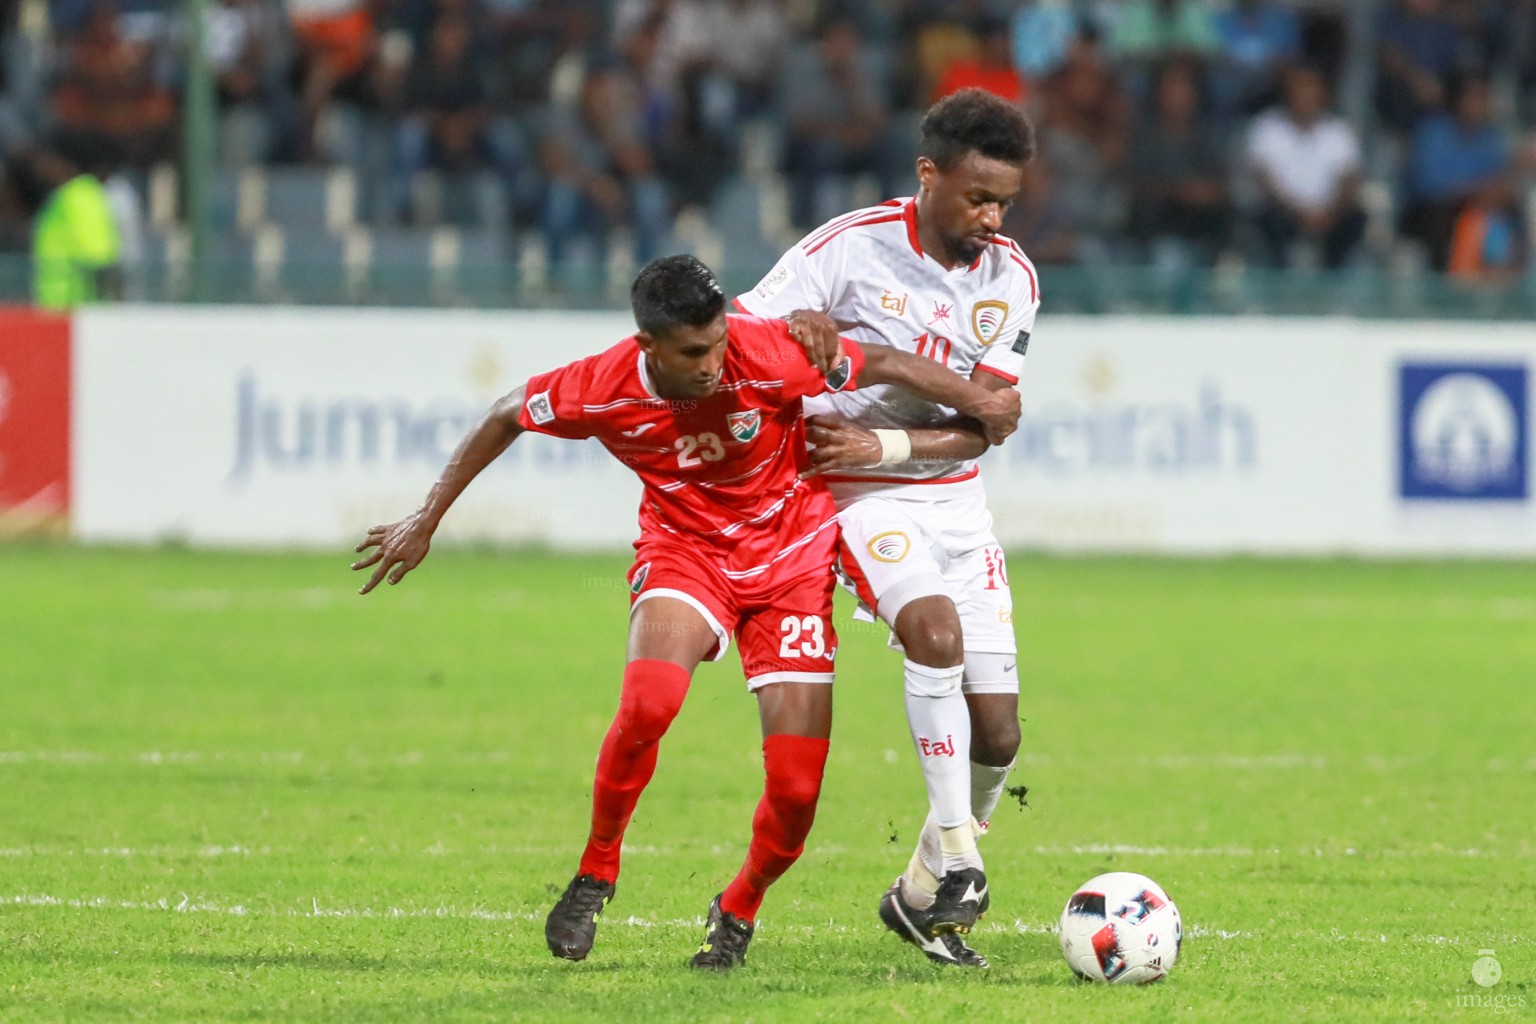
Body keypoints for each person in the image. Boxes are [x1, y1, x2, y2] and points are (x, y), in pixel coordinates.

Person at [352, 255, 1020, 970]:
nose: (712, 364)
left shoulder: (766, 355)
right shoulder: (601, 387)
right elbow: (506, 413)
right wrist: (425, 519)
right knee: (648, 704)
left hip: (792, 562)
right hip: (686, 552)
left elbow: (885, 361)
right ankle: (595, 873)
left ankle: (738, 907)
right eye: (694, 352)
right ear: (649, 347)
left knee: (795, 793)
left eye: (719, 341)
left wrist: (982, 403)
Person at [736, 87, 1038, 968]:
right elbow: (751, 333)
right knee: (932, 634)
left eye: (1004, 202)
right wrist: (799, 328)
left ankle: (918, 895)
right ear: (928, 174)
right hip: (857, 494)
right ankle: (960, 854)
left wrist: (892, 434)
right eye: (977, 196)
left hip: (953, 497)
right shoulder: (848, 247)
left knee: (1003, 736)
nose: (990, 216)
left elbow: (989, 424)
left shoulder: (1012, 278)